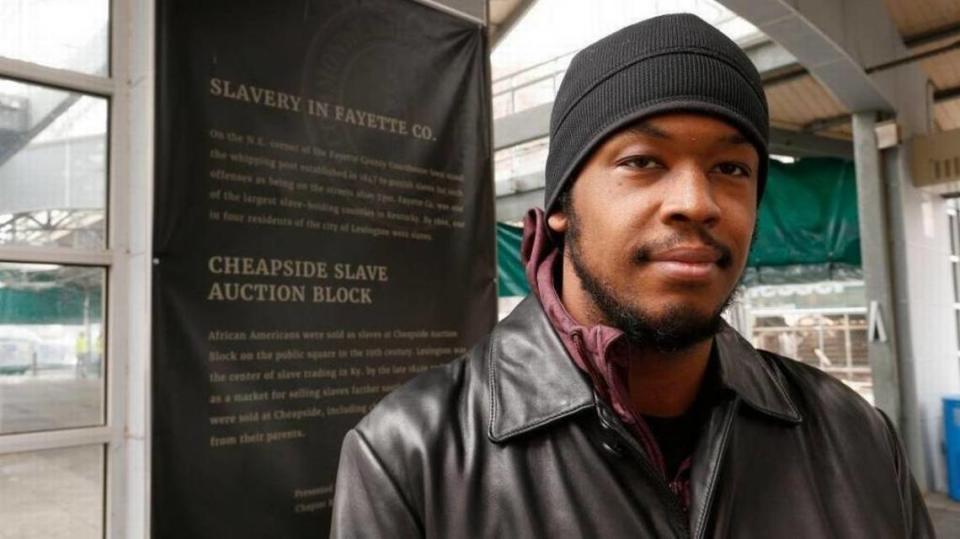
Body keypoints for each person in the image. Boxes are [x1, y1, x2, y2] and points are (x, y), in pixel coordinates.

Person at [331, 13, 934, 538]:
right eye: (643, 162)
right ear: (562, 206)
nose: (697, 202)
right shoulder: (411, 457)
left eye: (731, 167)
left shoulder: (857, 439)